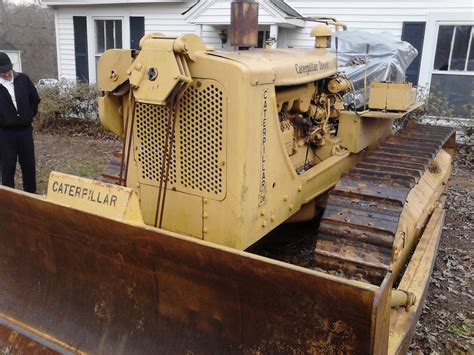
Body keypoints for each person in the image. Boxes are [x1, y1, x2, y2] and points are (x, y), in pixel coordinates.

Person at [0, 52, 40, 193]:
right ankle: (9, 199)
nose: (5, 74)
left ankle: (30, 194)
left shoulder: (23, 79)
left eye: (7, 70)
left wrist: (29, 114)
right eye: (2, 72)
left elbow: (35, 99)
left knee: (28, 165)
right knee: (7, 167)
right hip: (5, 134)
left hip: (25, 131)